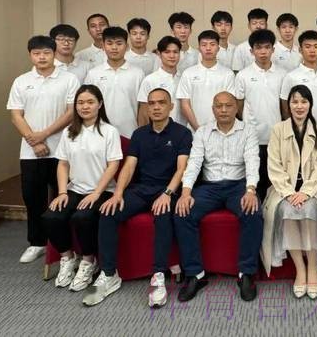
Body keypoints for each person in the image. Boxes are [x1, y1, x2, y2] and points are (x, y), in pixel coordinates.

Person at [82, 88, 192, 307]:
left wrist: (167, 194)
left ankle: (158, 276)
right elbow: (129, 166)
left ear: (171, 106)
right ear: (147, 107)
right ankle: (109, 274)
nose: (156, 107)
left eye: (161, 102)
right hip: (141, 189)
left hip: (167, 190)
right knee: (108, 212)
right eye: (152, 103)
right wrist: (118, 193)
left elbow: (182, 169)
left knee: (163, 214)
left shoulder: (182, 133)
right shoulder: (140, 134)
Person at [174, 92, 263, 302]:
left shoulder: (248, 131)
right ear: (213, 109)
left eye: (228, 106)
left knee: (253, 211)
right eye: (219, 106)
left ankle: (246, 273)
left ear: (236, 108)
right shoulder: (202, 132)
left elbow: (252, 161)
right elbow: (194, 163)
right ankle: (195, 274)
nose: (223, 110)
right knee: (182, 212)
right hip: (209, 187)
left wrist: (251, 190)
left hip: (238, 185)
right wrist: (185, 193)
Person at [42, 85, 122, 291]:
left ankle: (88, 261)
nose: (85, 106)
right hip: (75, 189)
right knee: (51, 216)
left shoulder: (109, 131)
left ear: (100, 104)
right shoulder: (69, 132)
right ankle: (68, 258)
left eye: (90, 102)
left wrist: (96, 193)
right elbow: (63, 164)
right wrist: (62, 192)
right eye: (80, 102)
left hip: (103, 191)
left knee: (83, 217)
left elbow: (113, 165)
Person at [7, 35, 79, 263]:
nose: (41, 57)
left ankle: (64, 244)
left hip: (62, 149)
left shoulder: (69, 79)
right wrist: (35, 141)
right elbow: (16, 115)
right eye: (36, 53)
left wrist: (44, 134)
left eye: (46, 53)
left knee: (63, 196)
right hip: (30, 151)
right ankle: (37, 242)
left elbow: (71, 112)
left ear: (54, 53)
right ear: (30, 55)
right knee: (32, 197)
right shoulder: (21, 81)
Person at [261, 85, 317, 299]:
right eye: (295, 101)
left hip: (314, 187)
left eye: (303, 101)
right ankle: (300, 269)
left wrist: (307, 192)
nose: (299, 106)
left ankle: (312, 267)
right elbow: (274, 166)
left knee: (309, 209)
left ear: (310, 104)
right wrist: (289, 193)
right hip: (285, 188)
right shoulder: (278, 129)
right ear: (289, 105)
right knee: (287, 210)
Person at [235, 29, 287, 199]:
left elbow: (284, 106)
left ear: (273, 49)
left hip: (276, 137)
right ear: (252, 51)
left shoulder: (282, 74)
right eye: (258, 48)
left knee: (275, 182)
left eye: (267, 47)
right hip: (252, 137)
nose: (263, 52)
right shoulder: (243, 75)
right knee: (255, 182)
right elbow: (239, 106)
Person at [84, 27, 145, 139]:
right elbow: (87, 104)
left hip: (131, 134)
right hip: (100, 134)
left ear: (126, 46)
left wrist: (142, 134)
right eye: (109, 43)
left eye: (119, 43)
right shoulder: (93, 74)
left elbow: (143, 107)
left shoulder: (138, 73)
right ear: (103, 46)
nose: (114, 47)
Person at [177, 30, 235, 131]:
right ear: (199, 48)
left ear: (218, 48)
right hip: (194, 131)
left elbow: (230, 104)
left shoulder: (228, 74)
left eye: (212, 44)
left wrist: (220, 129)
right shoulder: (188, 73)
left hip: (221, 131)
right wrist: (198, 129)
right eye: (204, 45)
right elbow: (185, 104)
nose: (208, 48)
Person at [280, 30, 317, 128]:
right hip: (300, 131)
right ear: (300, 50)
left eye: (316, 47)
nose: (312, 50)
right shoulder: (291, 76)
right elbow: (285, 107)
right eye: (307, 47)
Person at [138, 36, 185, 126]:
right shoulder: (150, 80)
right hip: (157, 130)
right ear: (159, 54)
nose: (172, 56)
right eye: (167, 52)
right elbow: (143, 113)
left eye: (175, 52)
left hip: (182, 130)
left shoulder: (184, 78)